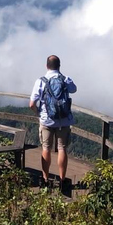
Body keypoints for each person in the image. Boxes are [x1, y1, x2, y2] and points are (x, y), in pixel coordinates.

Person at [29, 55, 77, 190]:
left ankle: (45, 180)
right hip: (63, 120)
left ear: (46, 66)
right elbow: (74, 89)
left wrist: (39, 113)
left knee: (46, 148)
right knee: (62, 149)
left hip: (46, 120)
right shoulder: (65, 79)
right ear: (59, 66)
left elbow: (31, 103)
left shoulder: (41, 81)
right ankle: (62, 180)